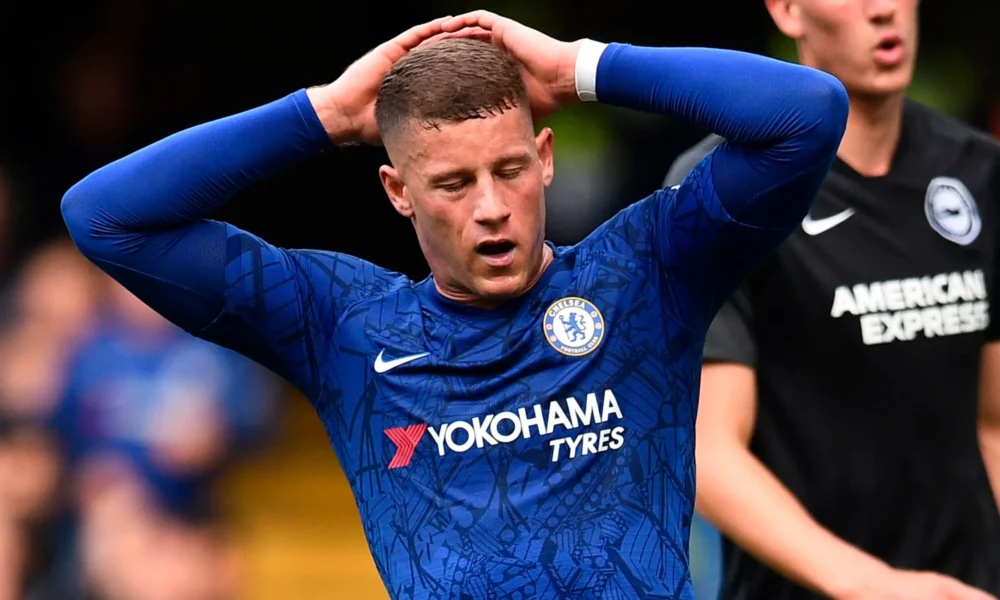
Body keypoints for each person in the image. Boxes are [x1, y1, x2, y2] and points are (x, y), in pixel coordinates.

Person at [61, 11, 848, 599]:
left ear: (544, 160)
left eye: (509, 169)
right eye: (452, 184)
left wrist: (582, 68)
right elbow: (105, 216)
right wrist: (327, 115)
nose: (491, 207)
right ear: (397, 191)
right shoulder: (341, 323)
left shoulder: (646, 273)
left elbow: (806, 112)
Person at [664, 1, 1000, 599]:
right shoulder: (729, 192)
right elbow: (711, 451)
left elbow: (993, 423)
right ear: (787, 10)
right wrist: (871, 585)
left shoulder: (979, 172)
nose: (883, 10)